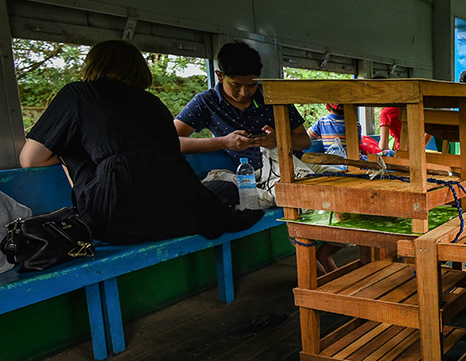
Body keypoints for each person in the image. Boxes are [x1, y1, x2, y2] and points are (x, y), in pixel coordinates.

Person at [20, 40, 262, 244]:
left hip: (114, 217)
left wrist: (73, 159)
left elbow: (30, 159)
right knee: (221, 189)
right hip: (179, 211)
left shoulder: (78, 94)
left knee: (69, 147)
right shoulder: (152, 102)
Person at [174, 41, 311, 169]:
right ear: (220, 76)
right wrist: (224, 142)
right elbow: (170, 140)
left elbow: (305, 141)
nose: (244, 92)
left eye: (252, 85)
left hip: (294, 167)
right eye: (236, 85)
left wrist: (277, 141)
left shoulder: (273, 97)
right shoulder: (206, 102)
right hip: (249, 175)